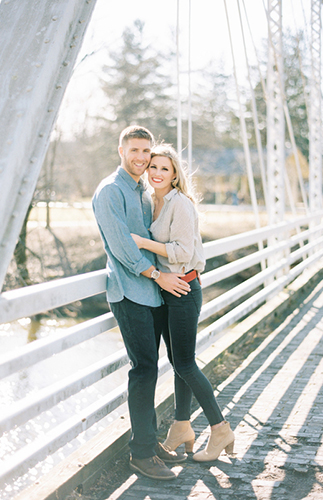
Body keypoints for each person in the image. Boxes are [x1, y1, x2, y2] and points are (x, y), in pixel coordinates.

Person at [92, 126, 191, 481]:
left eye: (146, 151)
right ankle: (142, 453)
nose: (141, 158)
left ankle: (150, 442)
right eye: (135, 150)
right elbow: (121, 246)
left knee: (154, 367)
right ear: (121, 150)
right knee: (144, 369)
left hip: (151, 293)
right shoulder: (110, 191)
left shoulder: (143, 191)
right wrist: (156, 275)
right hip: (130, 292)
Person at [131, 143, 235, 462]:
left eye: (165, 168)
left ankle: (220, 430)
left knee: (186, 363)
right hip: (164, 289)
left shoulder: (182, 204)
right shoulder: (151, 202)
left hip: (184, 290)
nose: (157, 173)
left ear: (175, 174)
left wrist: (140, 242)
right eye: (153, 167)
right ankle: (181, 426)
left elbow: (181, 252)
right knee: (177, 363)